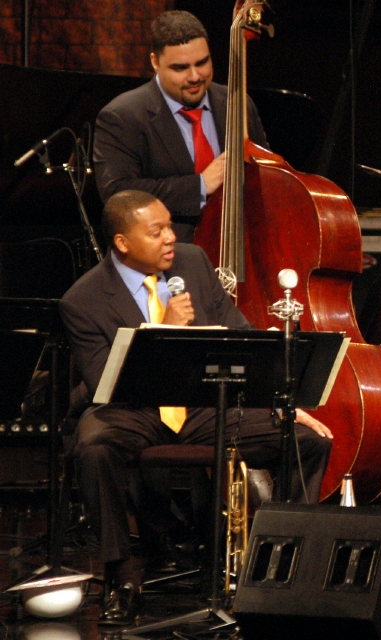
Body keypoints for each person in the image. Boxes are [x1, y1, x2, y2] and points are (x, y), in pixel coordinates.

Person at [59, 190, 332, 625]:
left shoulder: (193, 263)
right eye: (157, 231)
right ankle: (122, 577)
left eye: (170, 225)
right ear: (122, 243)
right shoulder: (84, 299)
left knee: (304, 439)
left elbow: (239, 333)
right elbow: (103, 384)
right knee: (93, 445)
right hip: (134, 409)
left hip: (204, 404)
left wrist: (280, 404)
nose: (171, 237)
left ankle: (283, 567)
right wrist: (157, 332)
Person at [93, 10, 269, 244]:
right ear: (155, 62)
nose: (195, 76)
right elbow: (118, 194)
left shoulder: (236, 102)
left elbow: (265, 176)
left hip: (239, 246)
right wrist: (201, 185)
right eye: (180, 68)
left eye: (202, 62)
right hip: (169, 256)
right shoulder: (122, 117)